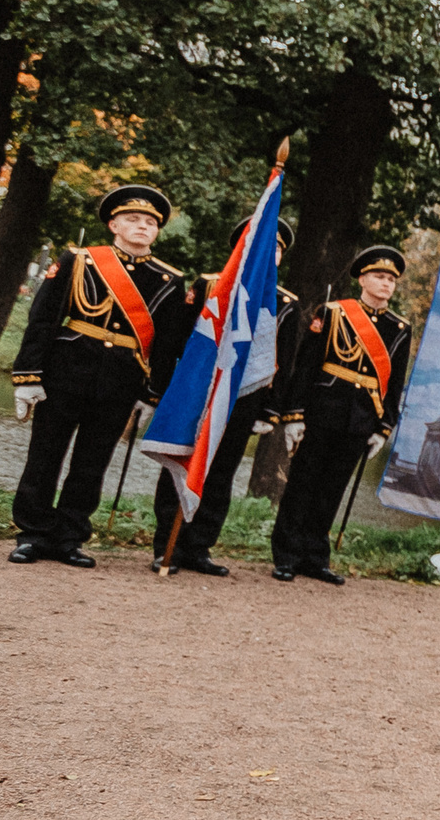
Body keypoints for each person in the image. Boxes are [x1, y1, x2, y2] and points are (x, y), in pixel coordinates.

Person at [8, 183, 194, 566]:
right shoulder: (79, 260)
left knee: (91, 463)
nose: (142, 226)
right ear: (114, 224)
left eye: (149, 222)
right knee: (45, 456)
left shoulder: (170, 281)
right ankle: (32, 533)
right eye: (132, 219)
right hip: (65, 371)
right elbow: (43, 319)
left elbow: (166, 344)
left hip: (121, 381)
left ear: (157, 230)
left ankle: (69, 537)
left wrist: (151, 392)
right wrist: (28, 376)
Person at [151, 216, 302, 575]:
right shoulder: (209, 285)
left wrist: (269, 410)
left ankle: (199, 546)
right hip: (199, 391)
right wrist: (163, 389)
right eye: (264, 246)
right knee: (186, 460)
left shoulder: (285, 303)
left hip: (245, 397)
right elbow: (179, 341)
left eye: (277, 250)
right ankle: (166, 545)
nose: (271, 254)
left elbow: (284, 361)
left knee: (221, 472)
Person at [267, 245, 411, 583]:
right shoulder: (333, 313)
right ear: (362, 278)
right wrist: (295, 414)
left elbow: (395, 381)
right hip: (322, 410)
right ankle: (286, 555)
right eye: (379, 276)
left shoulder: (399, 328)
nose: (386, 283)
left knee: (332, 489)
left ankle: (314, 557)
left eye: (391, 278)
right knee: (302, 484)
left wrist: (384, 426)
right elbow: (306, 366)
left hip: (361, 417)